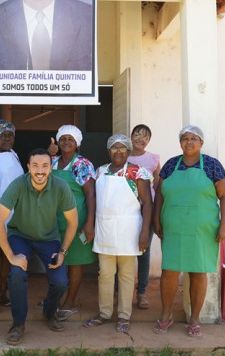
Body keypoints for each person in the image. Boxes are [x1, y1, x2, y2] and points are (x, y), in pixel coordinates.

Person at [0, 148, 78, 346]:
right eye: (35, 166)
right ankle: (18, 324)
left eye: (45, 166)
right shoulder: (18, 185)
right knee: (17, 273)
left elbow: (73, 222)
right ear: (28, 167)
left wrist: (63, 252)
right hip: (20, 235)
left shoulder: (60, 186)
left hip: (49, 239)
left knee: (61, 281)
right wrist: (11, 256)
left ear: (50, 168)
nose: (40, 170)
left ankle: (49, 312)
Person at [152, 125, 225, 338]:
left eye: (194, 138)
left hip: (202, 229)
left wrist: (224, 225)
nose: (189, 142)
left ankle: (195, 318)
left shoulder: (213, 166)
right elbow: (159, 195)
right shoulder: (170, 165)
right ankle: (166, 314)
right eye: (185, 138)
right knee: (169, 271)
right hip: (174, 227)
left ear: (201, 142)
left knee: (198, 272)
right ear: (180, 143)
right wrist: (156, 220)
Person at [84, 134, 152, 333]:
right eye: (114, 148)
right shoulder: (100, 171)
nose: (119, 152)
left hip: (129, 231)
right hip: (105, 229)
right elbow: (94, 200)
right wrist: (90, 224)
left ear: (129, 151)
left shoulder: (138, 172)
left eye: (123, 148)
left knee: (126, 275)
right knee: (104, 274)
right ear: (108, 151)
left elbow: (148, 203)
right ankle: (104, 313)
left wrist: (145, 231)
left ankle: (124, 316)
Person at [49, 125, 96, 321]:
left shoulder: (82, 164)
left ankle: (70, 301)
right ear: (58, 142)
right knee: (55, 261)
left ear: (77, 143)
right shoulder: (52, 162)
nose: (66, 142)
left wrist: (89, 223)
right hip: (53, 221)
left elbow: (91, 193)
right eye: (63, 139)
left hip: (77, 221)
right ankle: (56, 298)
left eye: (71, 139)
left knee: (75, 262)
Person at [0, 119, 24, 313]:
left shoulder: (17, 156)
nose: (7, 138)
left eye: (10, 135)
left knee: (10, 255)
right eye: (3, 135)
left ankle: (3, 292)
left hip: (15, 215)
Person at [127, 124, 161, 310]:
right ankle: (120, 290)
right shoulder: (124, 156)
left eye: (145, 137)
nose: (140, 139)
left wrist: (157, 213)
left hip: (146, 209)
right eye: (137, 135)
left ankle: (141, 292)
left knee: (143, 251)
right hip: (126, 210)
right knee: (123, 249)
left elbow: (158, 186)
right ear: (131, 137)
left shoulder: (153, 159)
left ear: (149, 141)